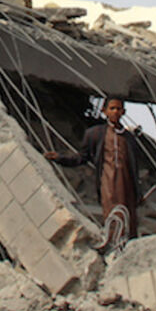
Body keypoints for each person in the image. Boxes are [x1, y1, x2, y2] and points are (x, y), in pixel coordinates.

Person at [45, 97, 142, 240]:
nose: (115, 112)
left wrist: (138, 191)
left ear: (123, 112)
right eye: (112, 108)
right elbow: (82, 157)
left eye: (118, 109)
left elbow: (134, 166)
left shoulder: (129, 138)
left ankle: (130, 243)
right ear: (104, 111)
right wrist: (60, 158)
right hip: (107, 180)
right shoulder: (95, 134)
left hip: (127, 182)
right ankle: (114, 243)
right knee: (113, 214)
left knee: (129, 216)